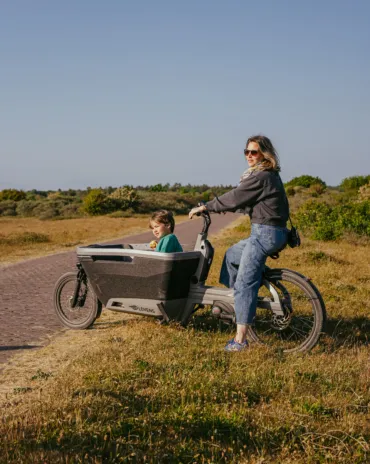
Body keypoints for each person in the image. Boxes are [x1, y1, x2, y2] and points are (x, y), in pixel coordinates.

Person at [189, 135, 289, 351]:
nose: (249, 156)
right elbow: (245, 202)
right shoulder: (268, 175)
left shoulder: (262, 175)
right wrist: (222, 207)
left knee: (244, 283)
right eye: (247, 152)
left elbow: (236, 196)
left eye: (254, 152)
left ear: (265, 154)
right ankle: (239, 303)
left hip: (266, 234)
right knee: (233, 255)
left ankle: (240, 340)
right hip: (271, 232)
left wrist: (207, 206)